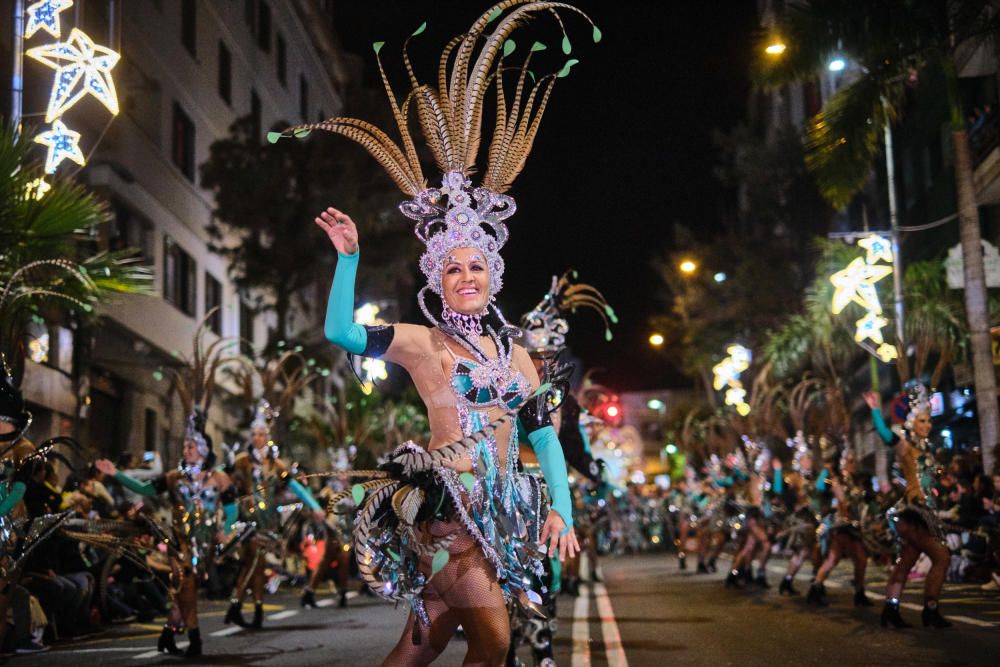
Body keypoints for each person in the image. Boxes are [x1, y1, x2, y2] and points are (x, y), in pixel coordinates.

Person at [274, 3, 600, 662]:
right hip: (455, 512)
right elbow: (340, 329)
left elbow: (547, 438)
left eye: (477, 264)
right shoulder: (423, 343)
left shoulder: (520, 359)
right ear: (437, 277)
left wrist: (560, 508)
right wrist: (348, 259)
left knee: (421, 644)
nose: (466, 275)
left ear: (494, 274)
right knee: (496, 642)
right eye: (453, 267)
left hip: (504, 520)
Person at [227, 399, 325, 628]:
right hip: (248, 521)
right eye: (254, 435)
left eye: (261, 434)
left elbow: (296, 487)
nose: (257, 438)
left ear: (266, 437)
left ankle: (249, 607)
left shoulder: (276, 464)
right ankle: (242, 605)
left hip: (268, 521)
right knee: (253, 561)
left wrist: (314, 505)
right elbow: (226, 484)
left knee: (257, 564)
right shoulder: (241, 462)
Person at [865, 386, 952, 629]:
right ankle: (930, 610)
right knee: (942, 557)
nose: (927, 425)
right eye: (922, 421)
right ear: (912, 423)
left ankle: (891, 609)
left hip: (924, 512)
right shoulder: (906, 447)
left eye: (928, 421)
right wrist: (874, 410)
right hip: (914, 513)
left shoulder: (926, 449)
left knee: (907, 561)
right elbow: (885, 435)